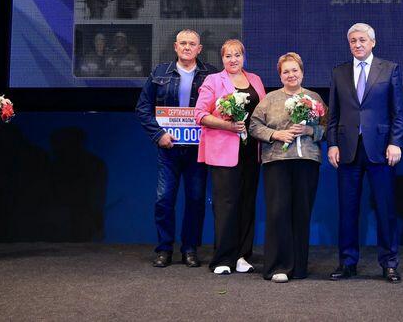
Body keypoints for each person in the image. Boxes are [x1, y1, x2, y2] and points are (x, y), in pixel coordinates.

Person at [327, 23, 403, 283]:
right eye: (353, 41)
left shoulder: (389, 69)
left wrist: (395, 142)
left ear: (373, 42)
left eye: (362, 40)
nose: (357, 44)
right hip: (347, 149)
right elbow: (334, 113)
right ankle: (347, 263)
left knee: (385, 208)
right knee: (347, 210)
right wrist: (332, 144)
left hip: (381, 149)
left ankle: (389, 263)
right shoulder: (339, 72)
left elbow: (398, 112)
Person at [136, 30, 218, 268]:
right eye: (183, 43)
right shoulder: (159, 72)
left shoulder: (211, 75)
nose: (187, 47)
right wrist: (158, 134)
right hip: (169, 149)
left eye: (192, 44)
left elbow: (220, 108)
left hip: (198, 150)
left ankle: (190, 249)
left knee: (196, 200)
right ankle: (164, 249)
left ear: (199, 49)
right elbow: (142, 108)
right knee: (164, 199)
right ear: (175, 46)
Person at [250, 52, 327, 283]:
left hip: (307, 162)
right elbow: (254, 126)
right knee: (278, 213)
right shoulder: (270, 99)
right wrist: (276, 134)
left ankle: (299, 267)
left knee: (301, 213)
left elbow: (327, 127)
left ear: (302, 72)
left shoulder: (314, 98)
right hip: (277, 162)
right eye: (286, 71)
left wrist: (310, 130)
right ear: (280, 75)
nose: (291, 75)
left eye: (295, 70)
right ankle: (278, 267)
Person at [195, 39, 266, 275]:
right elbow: (200, 114)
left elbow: (263, 112)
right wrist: (228, 126)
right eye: (228, 56)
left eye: (237, 55)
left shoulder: (255, 79)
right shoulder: (213, 81)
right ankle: (223, 258)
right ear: (222, 58)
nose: (233, 59)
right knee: (226, 205)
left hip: (252, 152)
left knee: (247, 203)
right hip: (224, 153)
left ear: (244, 57)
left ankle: (243, 256)